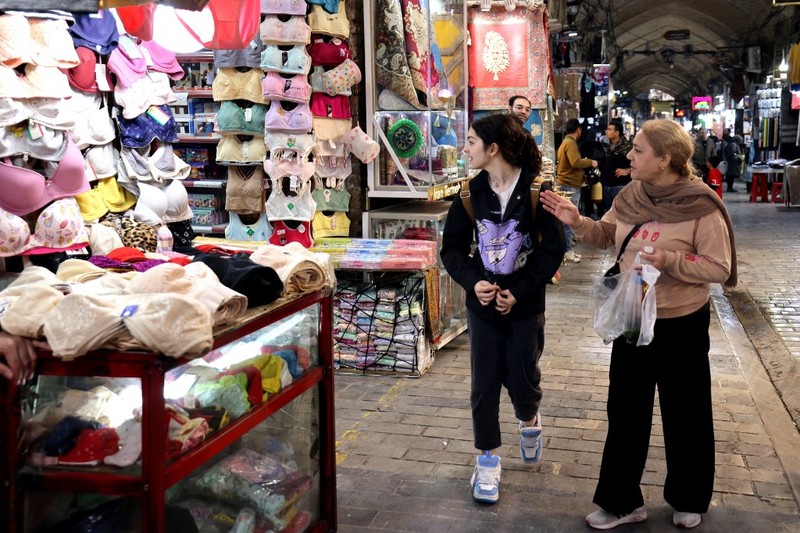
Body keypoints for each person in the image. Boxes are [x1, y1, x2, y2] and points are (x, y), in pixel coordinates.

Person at [540, 118, 737, 530]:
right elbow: (606, 235)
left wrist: (670, 262)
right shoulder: (632, 193)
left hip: (681, 322)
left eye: (639, 150)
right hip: (633, 319)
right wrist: (577, 220)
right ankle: (621, 501)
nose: (629, 155)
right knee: (626, 411)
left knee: (686, 412)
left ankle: (689, 498)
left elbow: (719, 267)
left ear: (665, 159)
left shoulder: (701, 205)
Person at [441, 113, 565, 504]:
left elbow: (553, 250)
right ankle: (488, 460)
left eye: (472, 141)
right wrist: (472, 281)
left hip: (525, 307)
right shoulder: (467, 194)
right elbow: (452, 249)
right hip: (483, 307)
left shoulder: (537, 191)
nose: (465, 148)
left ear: (493, 148)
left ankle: (529, 417)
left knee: (523, 378)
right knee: (484, 384)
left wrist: (522, 291)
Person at [557, 118, 598, 263]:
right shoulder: (570, 143)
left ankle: (566, 249)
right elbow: (575, 162)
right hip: (569, 186)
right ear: (578, 130)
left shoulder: (565, 142)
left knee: (566, 221)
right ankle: (567, 251)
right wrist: (590, 162)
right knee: (568, 221)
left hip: (567, 184)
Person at [601, 120, 632, 212]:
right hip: (607, 185)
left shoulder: (627, 146)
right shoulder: (609, 145)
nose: (606, 131)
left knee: (620, 213)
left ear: (617, 132)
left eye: (609, 129)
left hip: (619, 186)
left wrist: (627, 171)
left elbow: (638, 163)